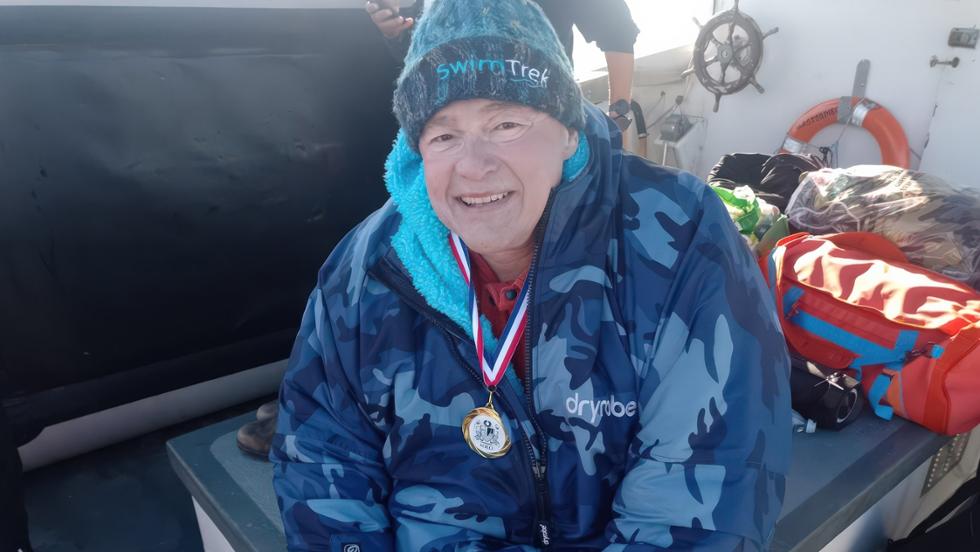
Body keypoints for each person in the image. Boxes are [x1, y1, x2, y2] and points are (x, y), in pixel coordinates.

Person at [271, 0, 792, 549]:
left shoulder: (680, 237)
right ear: (414, 148)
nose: (473, 164)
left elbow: (709, 481)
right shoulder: (369, 267)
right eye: (444, 135)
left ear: (568, 132)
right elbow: (323, 460)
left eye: (506, 123)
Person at [366, 0, 639, 130]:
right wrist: (395, 33)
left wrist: (619, 113)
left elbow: (616, 31)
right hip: (454, 124)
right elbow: (419, 55)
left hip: (544, 117)